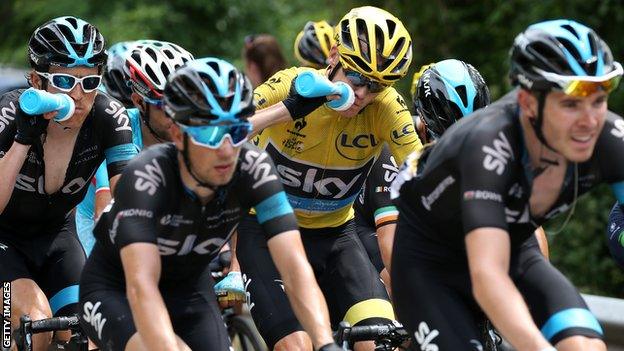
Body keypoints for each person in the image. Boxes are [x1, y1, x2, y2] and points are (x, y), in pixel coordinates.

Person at [391, 19, 624, 350]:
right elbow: (487, 277)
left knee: (585, 345)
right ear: (529, 102)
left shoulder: (611, 139)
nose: (589, 121)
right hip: (430, 267)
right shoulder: (487, 144)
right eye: (571, 104)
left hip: (515, 251)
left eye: (599, 100)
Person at [78, 57, 340, 351]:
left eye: (238, 131)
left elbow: (294, 268)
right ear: (178, 134)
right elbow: (141, 287)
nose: (227, 149)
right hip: (116, 290)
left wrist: (325, 343)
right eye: (211, 134)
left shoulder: (254, 170)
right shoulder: (146, 178)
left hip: (189, 289)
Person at [240, 6, 421, 351]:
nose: (363, 94)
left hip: (337, 238)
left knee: (380, 342)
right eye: (356, 79)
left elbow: (422, 170)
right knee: (297, 345)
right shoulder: (290, 82)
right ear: (334, 56)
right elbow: (218, 131)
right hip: (267, 234)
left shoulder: (386, 107)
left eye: (377, 85)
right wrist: (286, 110)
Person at [0, 16, 137, 351]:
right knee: (35, 321)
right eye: (64, 81)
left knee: (89, 333)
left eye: (90, 83)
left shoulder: (108, 117)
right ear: (36, 80)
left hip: (57, 238)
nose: (78, 95)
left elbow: (131, 197)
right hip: (4, 240)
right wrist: (22, 139)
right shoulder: (9, 111)